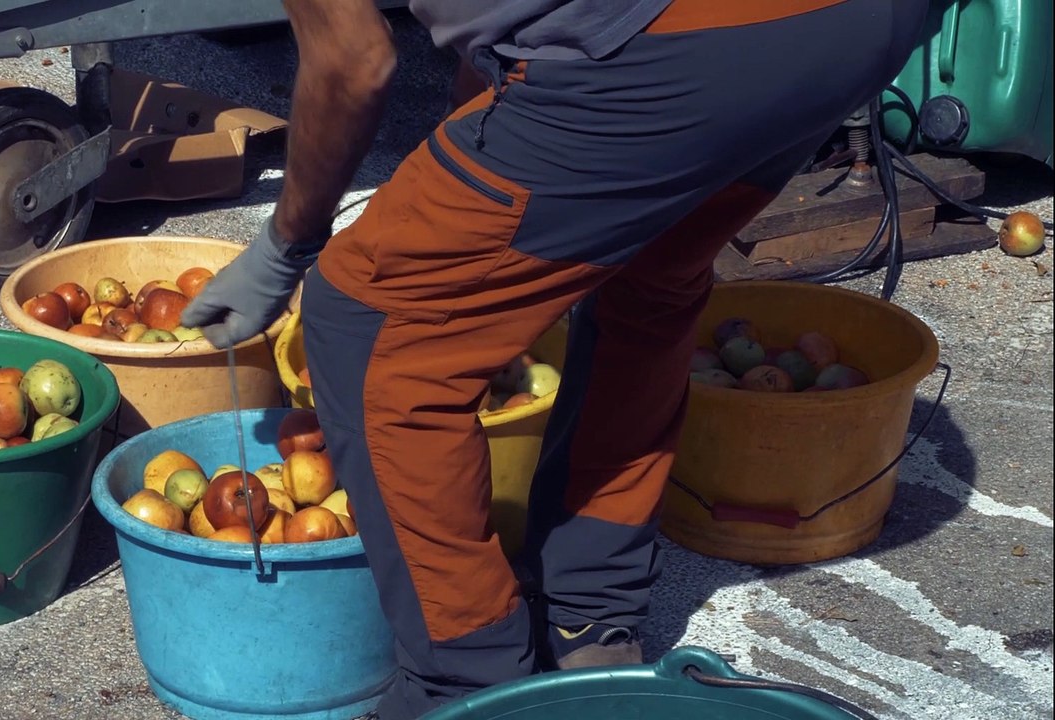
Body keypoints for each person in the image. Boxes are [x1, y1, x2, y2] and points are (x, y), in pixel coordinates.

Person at [180, 0, 930, 717]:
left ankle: (465, 683)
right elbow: (504, 60)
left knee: (371, 321)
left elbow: (354, 61)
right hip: (854, 26)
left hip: (686, 38)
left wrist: (288, 243)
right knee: (649, 272)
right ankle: (593, 618)